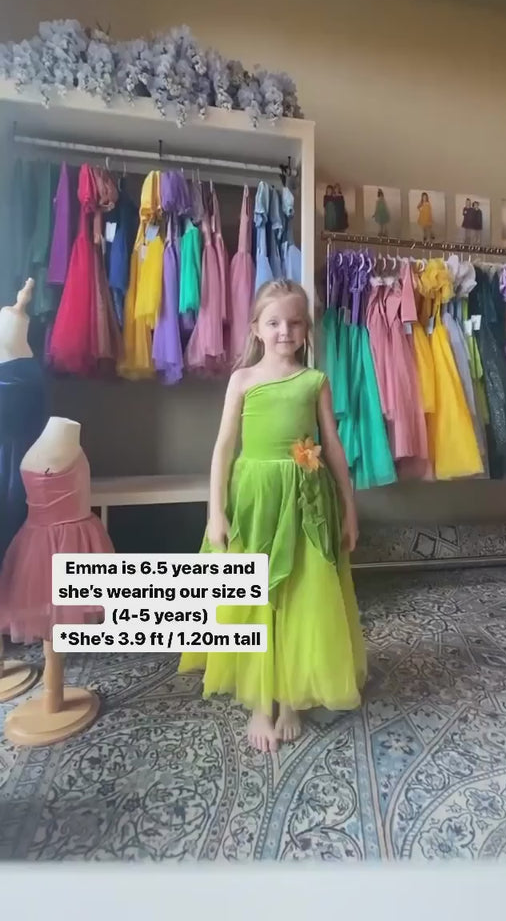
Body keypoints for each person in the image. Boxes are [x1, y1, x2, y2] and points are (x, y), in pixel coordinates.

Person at [179, 279, 367, 753]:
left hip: (306, 501)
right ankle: (261, 703)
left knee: (300, 593)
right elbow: (223, 448)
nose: (285, 331)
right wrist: (215, 512)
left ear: (306, 329)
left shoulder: (314, 381)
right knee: (256, 595)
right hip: (255, 500)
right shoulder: (242, 380)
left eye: (295, 322)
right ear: (256, 329)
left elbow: (333, 447)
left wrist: (349, 508)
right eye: (274, 322)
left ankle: (291, 698)